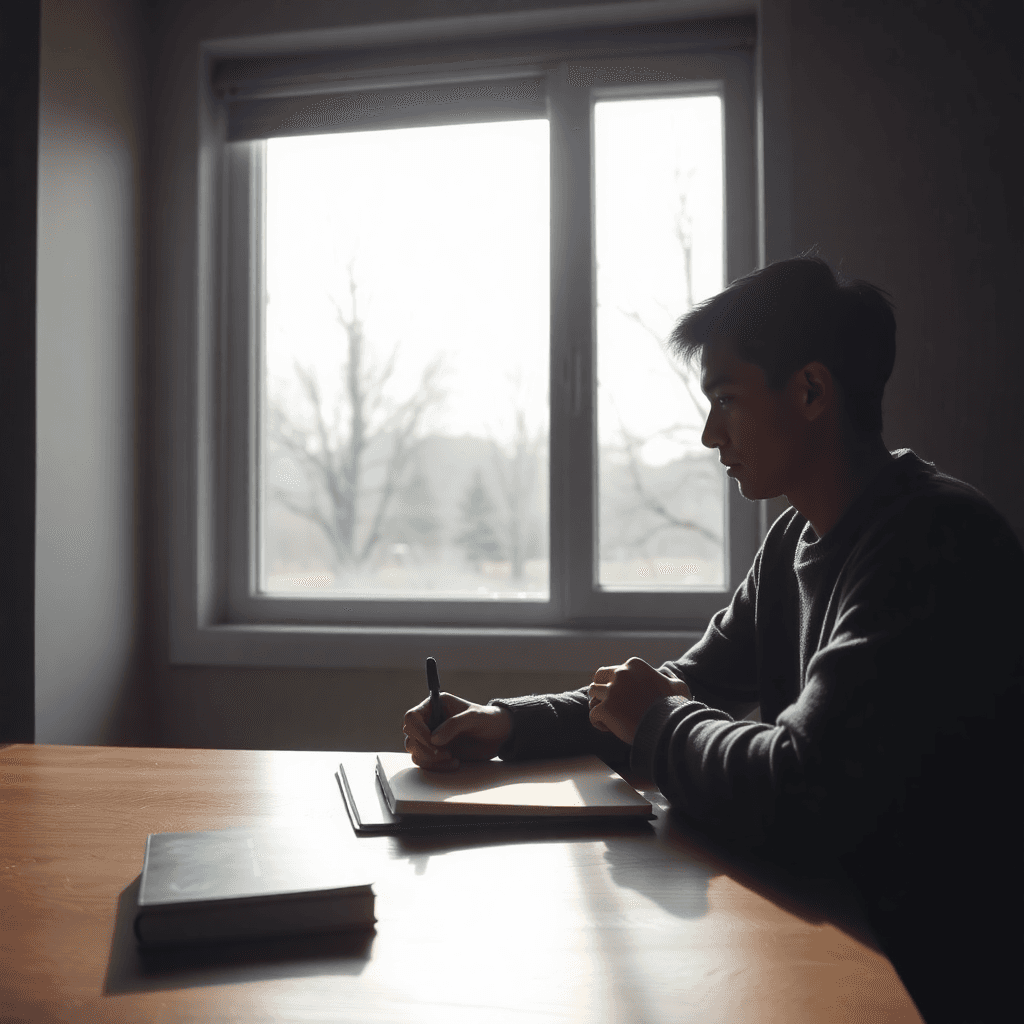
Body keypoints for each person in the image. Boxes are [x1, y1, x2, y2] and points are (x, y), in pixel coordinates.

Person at [403, 255, 1022, 1024]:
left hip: (929, 983)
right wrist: (508, 723)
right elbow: (677, 689)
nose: (707, 434)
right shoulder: (793, 539)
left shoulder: (934, 542)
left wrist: (659, 720)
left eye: (726, 399)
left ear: (811, 391)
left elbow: (800, 786)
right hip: (836, 932)